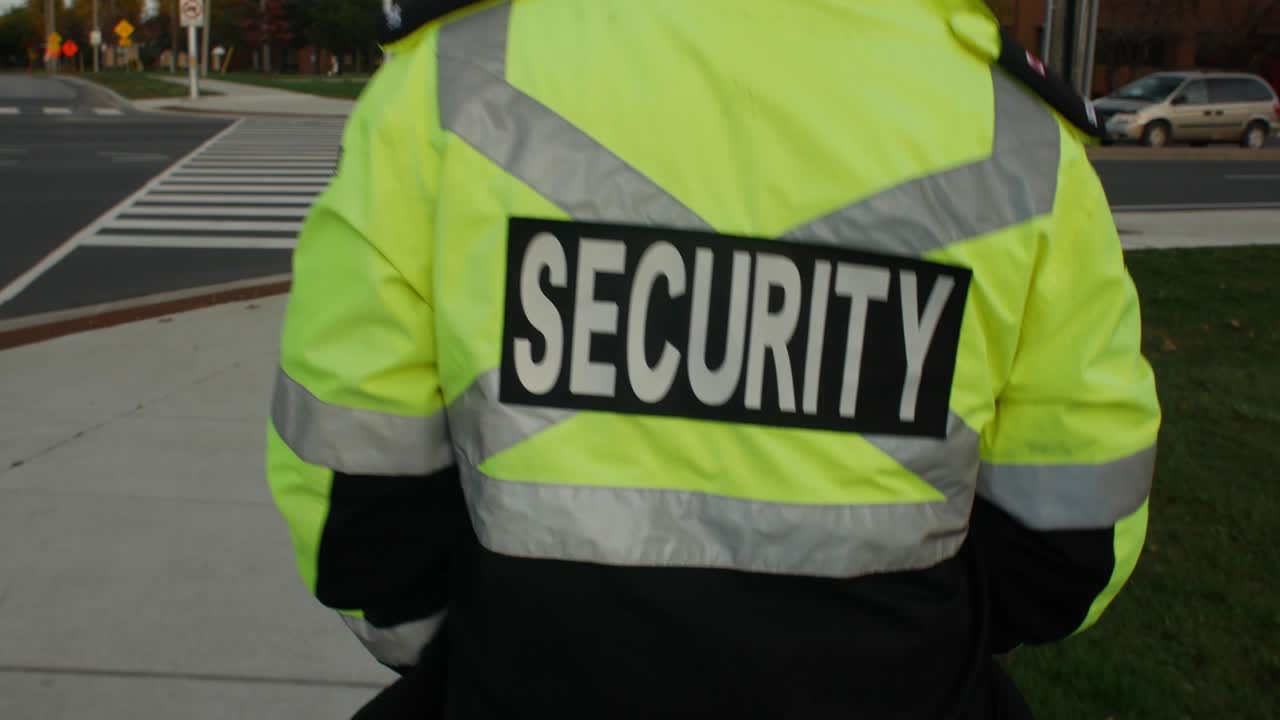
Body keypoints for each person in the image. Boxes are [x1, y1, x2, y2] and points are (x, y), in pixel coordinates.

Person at [266, 1, 1160, 717]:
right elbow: (1069, 533)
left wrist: (485, 646)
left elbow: (357, 491)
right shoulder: (1016, 133)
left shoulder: (449, 82)